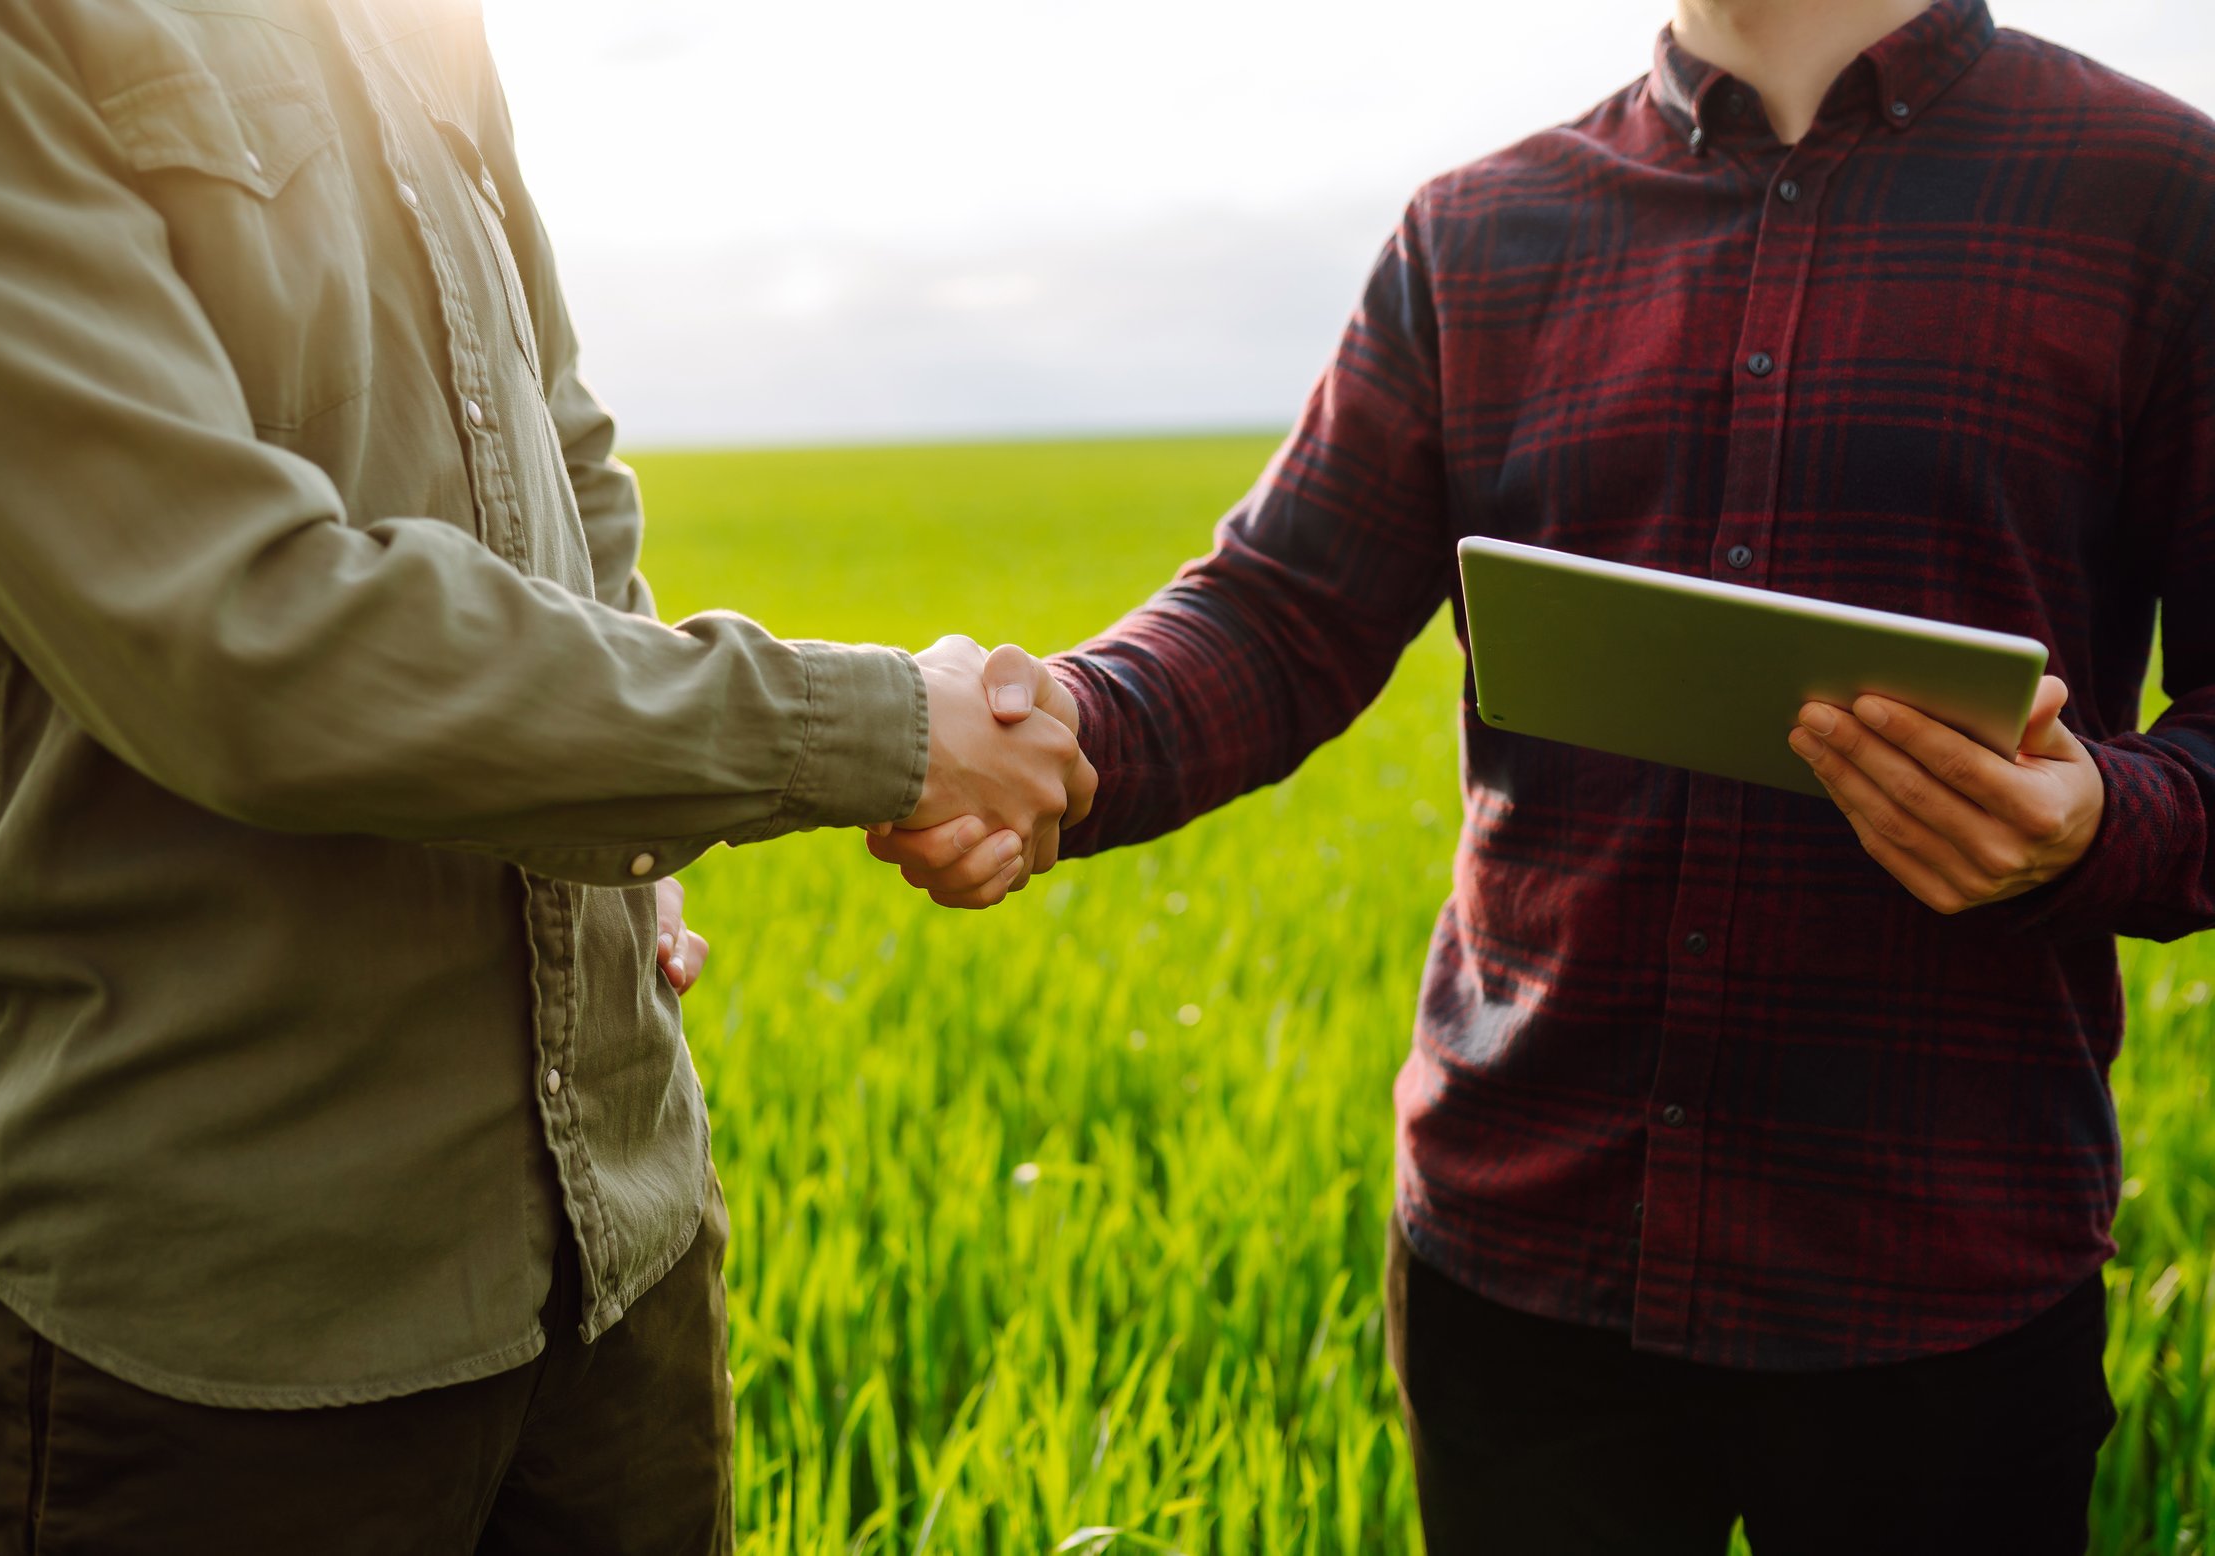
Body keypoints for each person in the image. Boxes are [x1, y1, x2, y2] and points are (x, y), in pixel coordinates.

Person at [874, 0, 2215, 1548]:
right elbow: (1281, 613)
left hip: (1935, 1274)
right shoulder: (1477, 229)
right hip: (1517, 1265)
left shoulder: (2157, 197)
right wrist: (1061, 742)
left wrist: (2104, 826)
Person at [0, 0, 1092, 1550]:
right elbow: (237, 638)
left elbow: (561, 462)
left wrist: (631, 813)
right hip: (215, 1335)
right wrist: (875, 728)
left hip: (622, 1262)